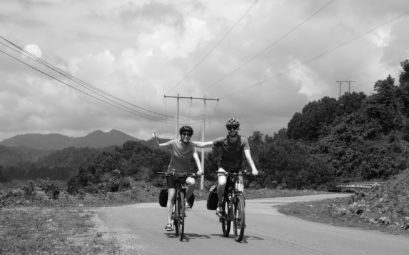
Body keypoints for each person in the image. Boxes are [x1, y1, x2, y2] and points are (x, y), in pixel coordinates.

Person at [193, 117, 258, 216]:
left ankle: (239, 214)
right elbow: (205, 144)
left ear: (238, 128)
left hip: (237, 169)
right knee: (222, 183)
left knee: (240, 190)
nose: (232, 129)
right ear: (227, 129)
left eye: (234, 127)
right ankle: (220, 205)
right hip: (224, 167)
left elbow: (248, 156)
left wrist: (254, 169)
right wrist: (190, 143)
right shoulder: (222, 140)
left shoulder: (243, 141)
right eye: (230, 127)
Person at [153, 125, 203, 231]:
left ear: (190, 136)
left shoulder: (191, 146)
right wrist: (156, 140)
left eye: (188, 134)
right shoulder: (173, 143)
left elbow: (196, 158)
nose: (186, 136)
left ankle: (184, 201)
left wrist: (200, 169)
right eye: (184, 134)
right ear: (181, 135)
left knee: (192, 182)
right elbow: (160, 146)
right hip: (172, 173)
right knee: (171, 196)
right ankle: (169, 223)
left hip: (185, 174)